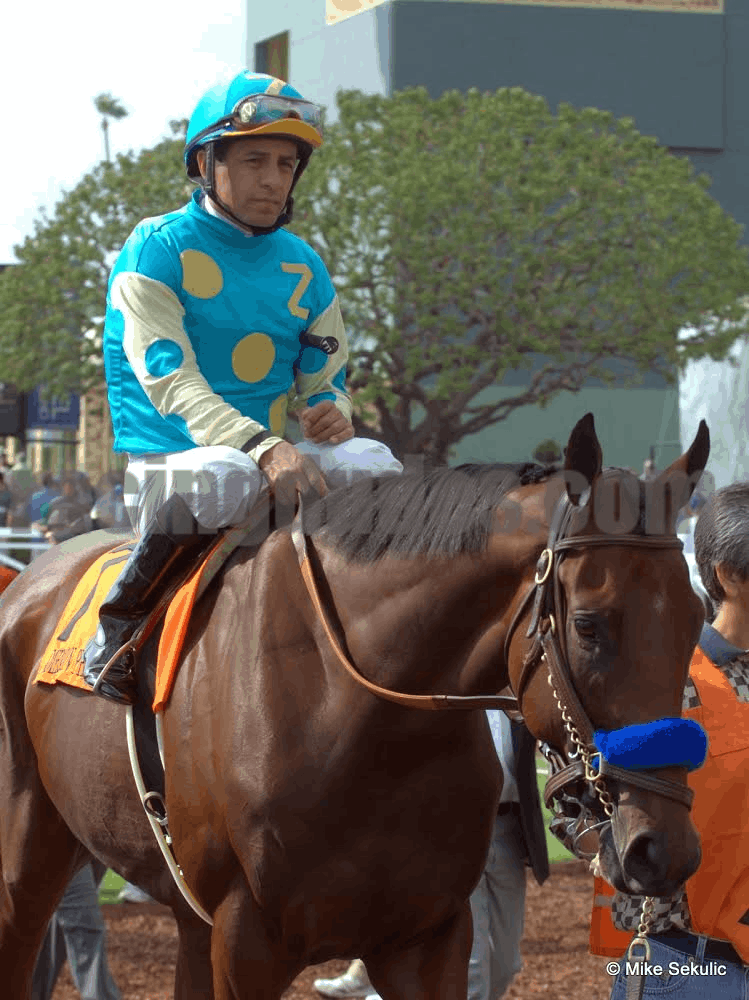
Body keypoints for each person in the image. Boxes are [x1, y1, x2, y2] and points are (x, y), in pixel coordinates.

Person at [81, 70, 403, 704]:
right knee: (225, 473)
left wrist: (330, 409)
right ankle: (119, 627)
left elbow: (326, 376)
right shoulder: (155, 248)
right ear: (207, 163)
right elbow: (173, 383)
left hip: (273, 464)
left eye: (286, 164)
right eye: (254, 160)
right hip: (173, 464)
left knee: (374, 463)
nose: (274, 179)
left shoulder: (304, 263)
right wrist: (263, 446)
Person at [589, 481, 749, 998]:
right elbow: (581, 795)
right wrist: (612, 843)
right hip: (688, 966)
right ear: (729, 575)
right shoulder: (664, 682)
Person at [313, 713, 550, 1000]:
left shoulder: (518, 701)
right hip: (459, 831)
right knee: (472, 970)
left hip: (509, 830)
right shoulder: (456, 700)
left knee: (506, 965)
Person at [32, 862, 121, 1000]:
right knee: (85, 925)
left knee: (60, 917)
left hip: (93, 851)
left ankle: (29, 993)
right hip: (60, 851)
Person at [40, 474, 93, 544]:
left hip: (76, 536)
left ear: (75, 488)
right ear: (63, 488)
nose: (69, 490)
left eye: (71, 487)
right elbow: (48, 523)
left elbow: (86, 522)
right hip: (59, 536)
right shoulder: (56, 503)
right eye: (66, 487)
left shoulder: (82, 504)